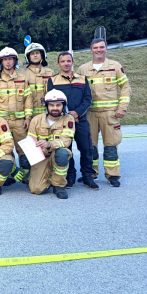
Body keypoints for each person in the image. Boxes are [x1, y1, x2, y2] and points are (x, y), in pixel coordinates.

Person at [78, 34, 131, 187]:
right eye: (95, 48)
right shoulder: (83, 69)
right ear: (91, 50)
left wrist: (122, 107)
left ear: (106, 49)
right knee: (90, 145)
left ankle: (112, 175)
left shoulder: (115, 66)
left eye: (101, 47)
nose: (98, 50)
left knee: (111, 145)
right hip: (90, 114)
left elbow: (125, 87)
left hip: (110, 113)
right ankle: (91, 172)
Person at [47, 52, 98, 190]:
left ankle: (88, 176)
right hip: (62, 121)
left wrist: (76, 113)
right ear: (58, 64)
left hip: (80, 119)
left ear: (72, 62)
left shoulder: (82, 79)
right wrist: (67, 114)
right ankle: (70, 176)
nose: (66, 63)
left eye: (68, 61)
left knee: (86, 148)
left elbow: (88, 99)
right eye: (62, 61)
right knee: (65, 148)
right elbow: (52, 101)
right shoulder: (53, 81)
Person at [0, 47, 33, 184]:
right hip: (3, 123)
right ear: (1, 62)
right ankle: (9, 175)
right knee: (5, 150)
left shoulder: (22, 78)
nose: (8, 62)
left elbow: (28, 99)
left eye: (11, 59)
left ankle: (26, 176)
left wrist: (28, 117)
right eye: (5, 60)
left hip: (20, 122)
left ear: (15, 60)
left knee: (25, 152)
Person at [27, 90, 76, 199]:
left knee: (62, 154)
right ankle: (48, 176)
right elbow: (30, 142)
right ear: (46, 106)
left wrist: (50, 144)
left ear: (63, 105)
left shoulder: (69, 119)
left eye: (58, 105)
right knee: (37, 189)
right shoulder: (36, 120)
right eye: (51, 105)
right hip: (41, 156)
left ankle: (58, 185)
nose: (55, 108)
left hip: (57, 153)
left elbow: (66, 140)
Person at [22, 43, 55, 117]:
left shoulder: (50, 73)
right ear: (28, 57)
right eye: (32, 53)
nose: (35, 55)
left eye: (37, 53)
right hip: (30, 116)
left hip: (48, 114)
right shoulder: (23, 75)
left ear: (42, 55)